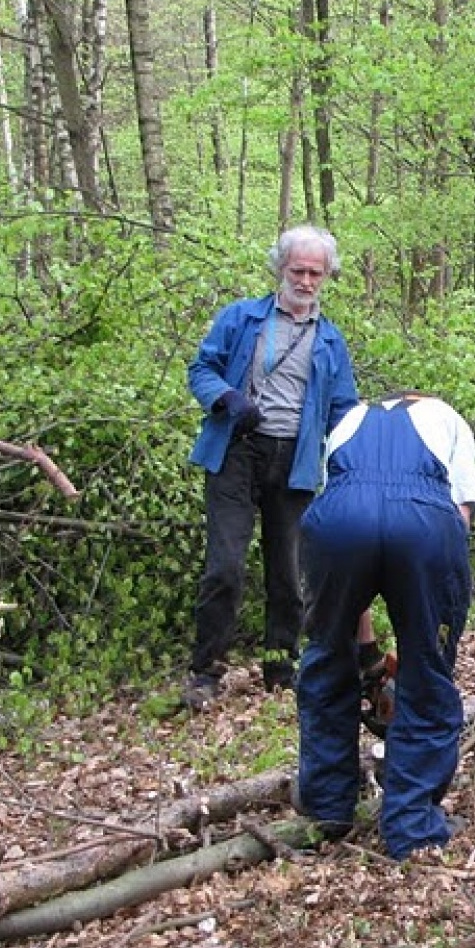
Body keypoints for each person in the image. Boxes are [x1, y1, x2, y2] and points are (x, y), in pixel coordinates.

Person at [295, 391, 475, 859]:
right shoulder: (448, 417)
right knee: (427, 671)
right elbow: (459, 514)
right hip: (424, 521)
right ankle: (411, 825)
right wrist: (431, 617)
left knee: (326, 657)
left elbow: (347, 514)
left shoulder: (349, 420)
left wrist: (362, 645)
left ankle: (327, 807)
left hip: (337, 523)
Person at [182, 225, 360, 708]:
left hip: (296, 461)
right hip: (235, 451)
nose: (305, 281)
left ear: (326, 277)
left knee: (288, 572)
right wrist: (226, 398)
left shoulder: (330, 341)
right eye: (298, 270)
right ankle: (205, 672)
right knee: (225, 566)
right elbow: (201, 369)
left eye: (315, 274)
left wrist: (350, 465)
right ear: (280, 269)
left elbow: (344, 408)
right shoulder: (241, 318)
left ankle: (281, 669)